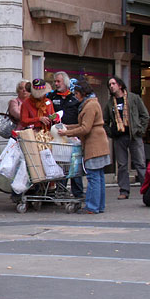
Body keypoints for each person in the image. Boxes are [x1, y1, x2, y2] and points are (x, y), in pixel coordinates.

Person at [59, 80, 111, 214]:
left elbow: (85, 128)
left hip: (94, 144)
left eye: (76, 93)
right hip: (98, 142)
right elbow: (83, 124)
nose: (75, 96)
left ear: (82, 93)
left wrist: (67, 132)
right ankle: (99, 206)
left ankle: (92, 207)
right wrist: (68, 127)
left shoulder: (90, 106)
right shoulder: (91, 103)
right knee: (98, 176)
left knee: (93, 176)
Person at [102, 76, 150, 200]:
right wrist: (111, 133)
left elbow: (145, 115)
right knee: (122, 165)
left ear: (120, 85)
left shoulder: (133, 98)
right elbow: (104, 121)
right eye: (109, 84)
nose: (111, 86)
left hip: (134, 135)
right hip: (119, 137)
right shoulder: (110, 102)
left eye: (113, 83)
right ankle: (124, 190)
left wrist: (140, 130)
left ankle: (148, 189)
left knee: (140, 163)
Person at [48, 72, 84, 198]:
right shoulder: (52, 96)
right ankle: (61, 190)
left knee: (74, 165)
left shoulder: (74, 98)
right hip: (58, 135)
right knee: (61, 163)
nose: (56, 84)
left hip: (72, 135)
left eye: (59, 81)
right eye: (55, 82)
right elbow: (49, 113)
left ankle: (78, 192)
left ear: (66, 82)